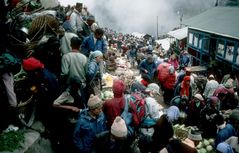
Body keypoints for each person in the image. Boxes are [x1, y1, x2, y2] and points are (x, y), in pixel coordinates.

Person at [61, 37, 88, 107]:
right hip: (82, 86)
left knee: (70, 106)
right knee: (82, 106)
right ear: (80, 46)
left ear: (70, 45)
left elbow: (64, 73)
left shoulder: (66, 57)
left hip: (70, 87)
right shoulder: (84, 57)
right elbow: (87, 72)